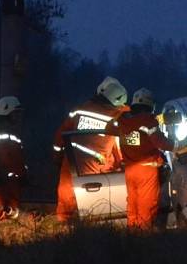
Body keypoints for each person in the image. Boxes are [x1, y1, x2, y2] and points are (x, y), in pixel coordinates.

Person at [52, 76, 129, 223]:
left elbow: (59, 137)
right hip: (96, 167)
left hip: (71, 162)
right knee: (95, 207)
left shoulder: (78, 110)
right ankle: (92, 228)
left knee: (66, 201)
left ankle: (64, 229)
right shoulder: (116, 117)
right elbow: (120, 146)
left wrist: (57, 158)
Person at [106, 88, 175, 229]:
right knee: (147, 206)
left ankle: (133, 236)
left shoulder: (123, 123)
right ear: (150, 105)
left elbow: (108, 128)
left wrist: (121, 110)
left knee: (133, 205)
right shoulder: (148, 121)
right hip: (146, 171)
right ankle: (144, 240)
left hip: (130, 171)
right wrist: (179, 145)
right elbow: (162, 143)